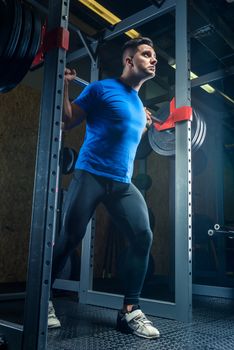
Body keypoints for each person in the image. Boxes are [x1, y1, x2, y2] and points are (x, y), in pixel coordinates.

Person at [48, 36, 160, 339]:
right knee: (70, 238)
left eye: (154, 56)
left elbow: (128, 129)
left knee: (142, 234)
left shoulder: (139, 106)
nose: (153, 59)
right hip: (91, 174)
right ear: (129, 61)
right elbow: (67, 121)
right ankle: (43, 298)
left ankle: (130, 311)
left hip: (122, 182)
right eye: (146, 54)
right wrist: (66, 84)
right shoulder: (100, 89)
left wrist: (145, 121)